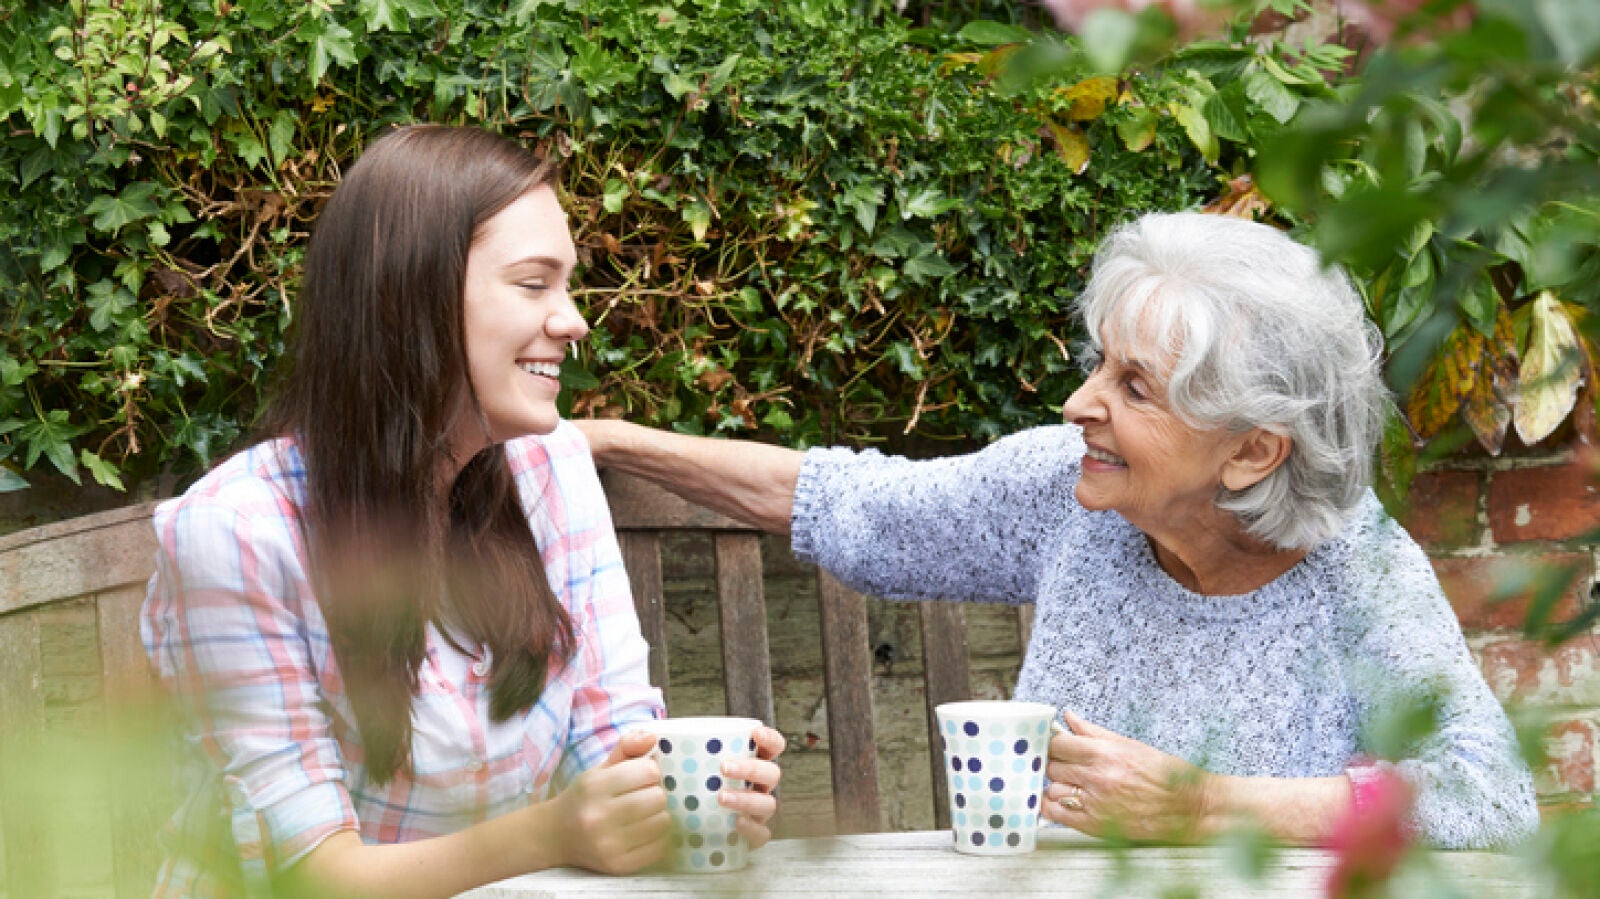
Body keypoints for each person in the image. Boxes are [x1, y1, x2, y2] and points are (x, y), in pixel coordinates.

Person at [577, 211, 1539, 850]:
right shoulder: (1070, 491)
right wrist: (609, 441)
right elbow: (856, 504)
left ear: (1251, 451)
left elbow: (1491, 793)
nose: (1080, 403)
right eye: (1099, 364)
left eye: (1134, 387)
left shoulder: (1354, 569)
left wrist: (1202, 803)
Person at [140, 124, 784, 898]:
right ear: (413, 297)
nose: (573, 320)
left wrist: (678, 802)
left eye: (568, 285)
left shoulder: (550, 468)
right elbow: (312, 873)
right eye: (534, 283)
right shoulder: (239, 533)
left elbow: (613, 739)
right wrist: (552, 832)